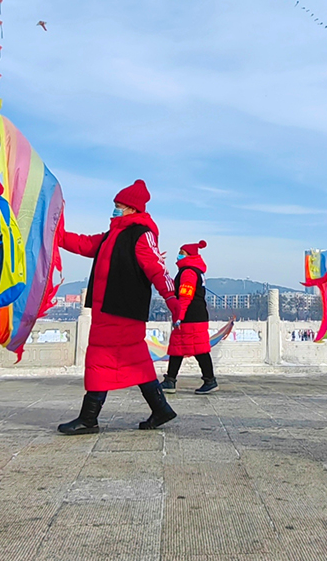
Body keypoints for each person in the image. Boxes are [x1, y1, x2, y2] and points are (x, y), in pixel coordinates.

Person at [58, 180, 179, 435]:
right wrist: (57, 234)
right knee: (135, 361)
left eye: (119, 206)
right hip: (109, 310)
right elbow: (83, 244)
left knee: (100, 358)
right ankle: (161, 409)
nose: (114, 210)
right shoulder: (112, 236)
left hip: (121, 310)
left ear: (133, 209)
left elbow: (158, 269)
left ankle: (89, 418)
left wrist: (172, 299)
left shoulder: (141, 235)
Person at [160, 240, 218, 395]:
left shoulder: (188, 272)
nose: (178, 255)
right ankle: (170, 380)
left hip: (190, 317)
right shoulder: (195, 271)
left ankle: (208, 380)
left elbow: (185, 296)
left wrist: (179, 315)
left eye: (181, 253)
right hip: (197, 315)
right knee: (181, 348)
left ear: (189, 255)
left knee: (197, 349)